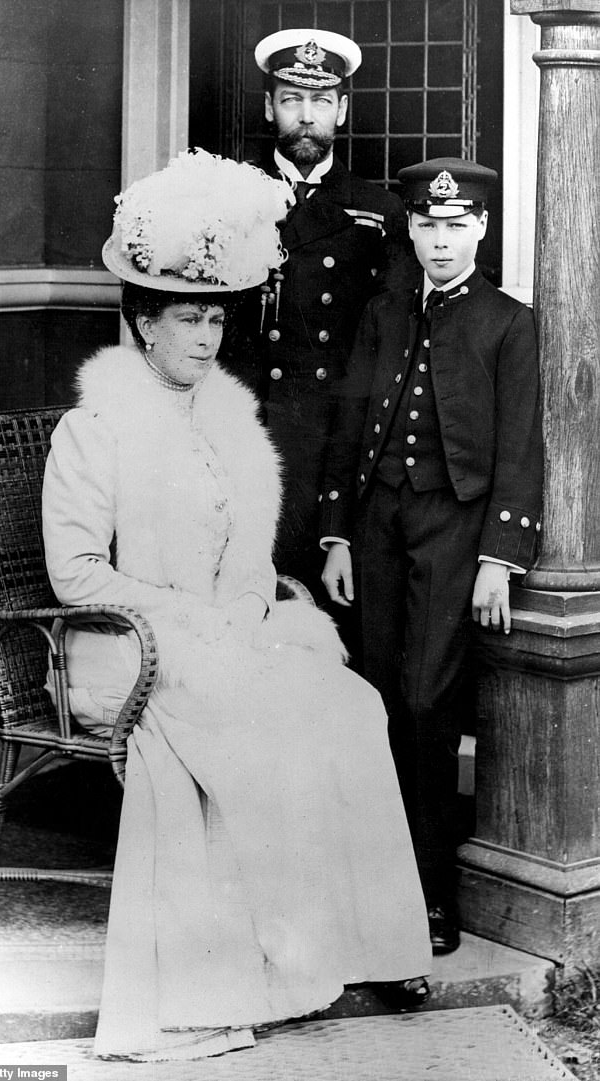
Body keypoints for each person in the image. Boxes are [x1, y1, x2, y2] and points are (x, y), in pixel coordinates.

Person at [41, 150, 431, 1063]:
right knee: (259, 722)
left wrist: (252, 600)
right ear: (143, 324)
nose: (208, 338)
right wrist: (193, 618)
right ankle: (250, 965)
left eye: (217, 318)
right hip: (123, 649)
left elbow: (249, 555)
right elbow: (78, 576)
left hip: (218, 641)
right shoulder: (97, 427)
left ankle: (340, 946)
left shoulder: (229, 420)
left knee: (349, 703)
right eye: (188, 318)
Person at [320, 158, 543, 957]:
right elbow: (349, 426)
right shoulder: (383, 312)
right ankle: (370, 887)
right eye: (427, 225)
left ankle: (430, 896)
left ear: (480, 229)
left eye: (456, 226)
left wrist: (499, 558)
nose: (441, 241)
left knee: (424, 703)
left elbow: (520, 452)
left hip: (455, 526)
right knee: (374, 699)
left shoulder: (509, 324)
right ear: (409, 229)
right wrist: (339, 533)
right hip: (378, 521)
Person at [235, 28, 416, 599]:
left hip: (336, 438)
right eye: (291, 100)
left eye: (319, 101)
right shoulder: (231, 197)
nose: (306, 116)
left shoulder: (379, 211)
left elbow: (393, 340)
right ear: (270, 108)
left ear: (340, 108)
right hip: (246, 428)